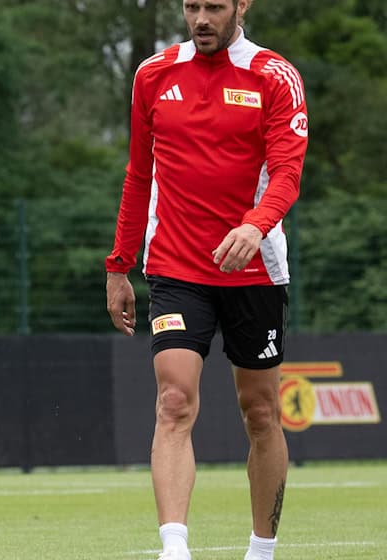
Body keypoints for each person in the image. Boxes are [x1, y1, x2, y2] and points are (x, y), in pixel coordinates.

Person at [105, 1, 307, 559]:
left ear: (242, 5)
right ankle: (175, 550)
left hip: (254, 269)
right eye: (191, 5)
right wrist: (119, 265)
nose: (200, 18)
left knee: (261, 412)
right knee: (173, 400)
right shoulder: (153, 74)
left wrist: (255, 225)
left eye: (214, 6)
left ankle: (261, 551)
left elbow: (288, 170)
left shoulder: (274, 76)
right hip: (174, 268)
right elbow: (138, 173)